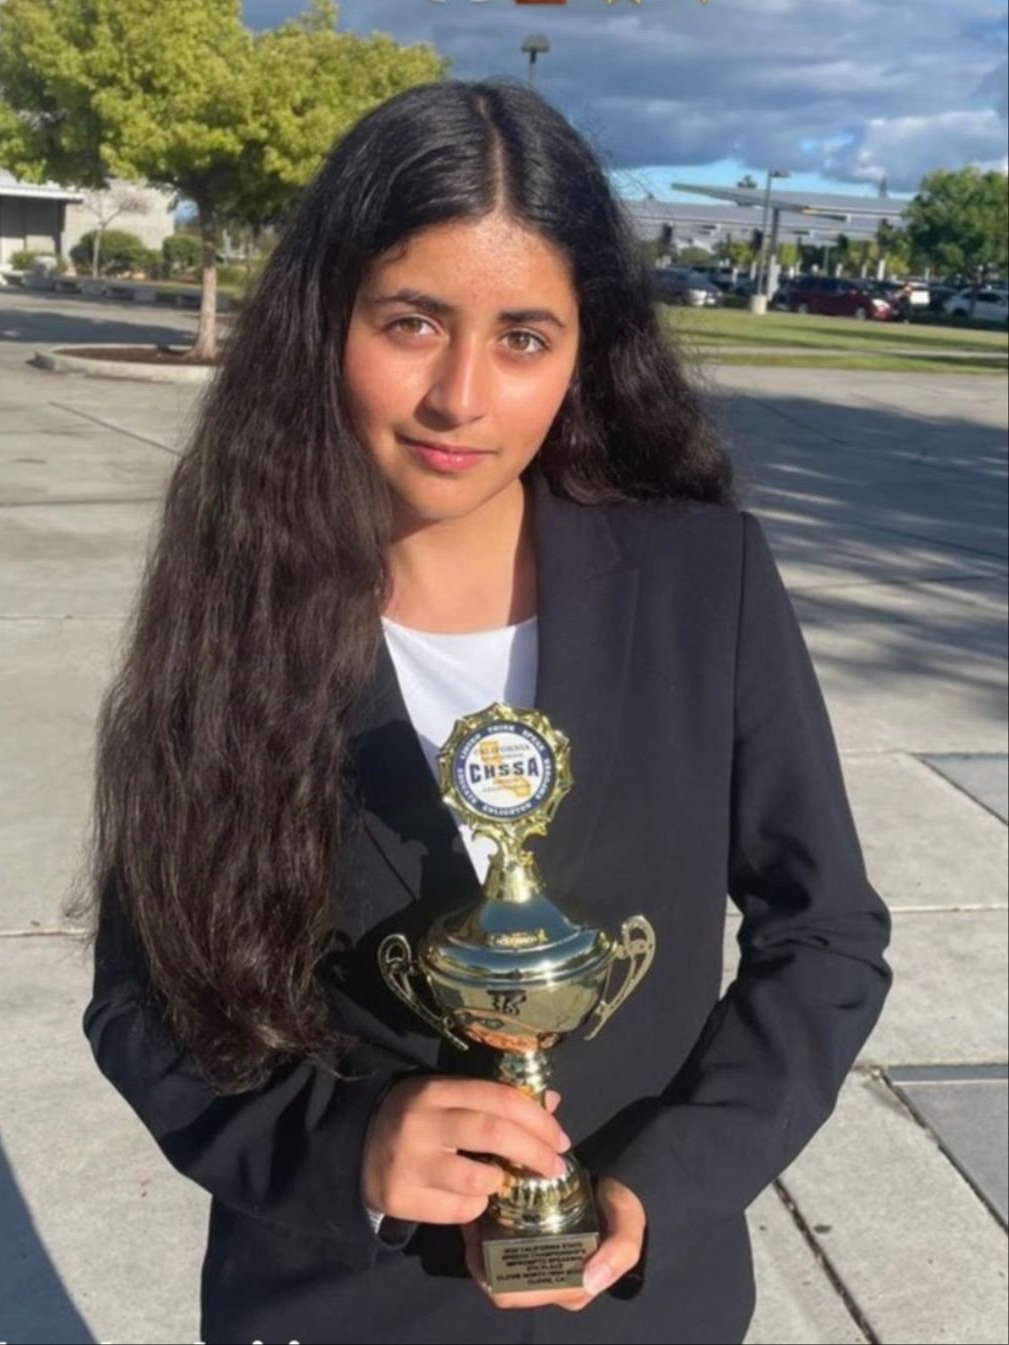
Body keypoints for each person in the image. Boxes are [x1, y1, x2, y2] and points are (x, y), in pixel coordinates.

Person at [67, 78, 894, 1345]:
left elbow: (825, 936)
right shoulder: (237, 607)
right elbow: (144, 998)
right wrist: (348, 1144)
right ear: (323, 320)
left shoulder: (702, 581)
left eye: (523, 336)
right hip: (341, 1301)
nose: (463, 396)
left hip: (640, 1304)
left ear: (585, 348)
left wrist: (668, 1181)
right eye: (412, 321)